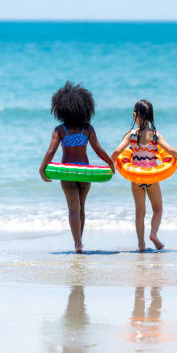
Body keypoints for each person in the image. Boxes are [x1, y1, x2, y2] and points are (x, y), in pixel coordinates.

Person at [39, 82, 114, 253]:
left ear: (61, 110)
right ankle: (80, 241)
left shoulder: (60, 130)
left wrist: (42, 168)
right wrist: (110, 163)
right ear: (85, 109)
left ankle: (77, 244)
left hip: (67, 172)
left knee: (73, 208)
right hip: (84, 172)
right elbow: (98, 149)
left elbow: (51, 150)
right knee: (81, 207)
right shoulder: (87, 129)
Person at [111, 100, 177, 252]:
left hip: (136, 178)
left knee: (140, 211)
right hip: (152, 177)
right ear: (151, 117)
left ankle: (141, 245)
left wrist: (112, 165)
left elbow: (117, 152)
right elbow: (169, 150)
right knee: (158, 209)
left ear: (134, 115)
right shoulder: (156, 136)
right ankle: (153, 234)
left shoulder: (130, 135)